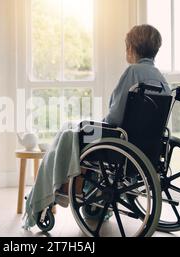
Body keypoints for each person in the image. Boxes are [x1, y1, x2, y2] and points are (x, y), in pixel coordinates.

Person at [55, 24, 170, 206]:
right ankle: (89, 195)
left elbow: (115, 117)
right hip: (148, 145)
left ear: (131, 48)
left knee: (79, 132)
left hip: (122, 142)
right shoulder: (162, 79)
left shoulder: (133, 72)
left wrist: (101, 124)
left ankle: (70, 186)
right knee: (87, 131)